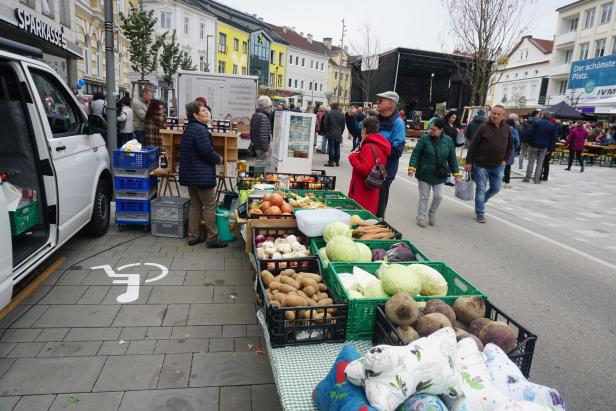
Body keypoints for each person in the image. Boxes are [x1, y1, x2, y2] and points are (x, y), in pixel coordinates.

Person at [179, 101, 227, 248]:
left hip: (191, 175)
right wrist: (218, 158)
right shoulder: (200, 130)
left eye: (207, 111)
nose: (207, 113)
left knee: (195, 205)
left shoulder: (190, 128)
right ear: (195, 115)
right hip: (201, 175)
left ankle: (193, 236)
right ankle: (212, 238)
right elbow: (206, 152)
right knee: (209, 205)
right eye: (204, 111)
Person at [408, 118, 461, 227]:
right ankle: (421, 217)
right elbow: (416, 154)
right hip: (424, 172)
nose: (430, 131)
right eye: (430, 129)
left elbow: (452, 159)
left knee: (439, 196)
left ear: (441, 130)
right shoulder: (424, 139)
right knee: (424, 197)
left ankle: (432, 212)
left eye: (433, 129)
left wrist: (456, 174)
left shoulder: (448, 141)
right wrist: (412, 167)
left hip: (440, 173)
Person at [465, 105, 512, 224]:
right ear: (490, 114)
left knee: (496, 188)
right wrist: (469, 162)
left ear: (503, 116)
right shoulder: (483, 128)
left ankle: (481, 200)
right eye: (493, 113)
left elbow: (511, 146)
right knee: (480, 189)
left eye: (498, 114)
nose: (495, 116)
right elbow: (473, 145)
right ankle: (480, 213)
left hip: (498, 165)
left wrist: (505, 160)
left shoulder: (507, 129)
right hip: (481, 165)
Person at [348, 116, 391, 215]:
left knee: (359, 218)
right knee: (368, 217)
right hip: (373, 190)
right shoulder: (381, 144)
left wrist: (353, 157)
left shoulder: (368, 146)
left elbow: (365, 170)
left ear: (364, 129)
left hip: (362, 191)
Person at [375, 91, 406, 219]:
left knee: (379, 205)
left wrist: (377, 149)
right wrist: (349, 118)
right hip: (369, 167)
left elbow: (397, 150)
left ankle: (378, 223)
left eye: (381, 100)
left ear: (390, 104)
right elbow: (358, 131)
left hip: (385, 171)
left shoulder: (398, 123)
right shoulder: (375, 119)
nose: (377, 102)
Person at [523, 111, 558, 184]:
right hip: (544, 146)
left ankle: (527, 178)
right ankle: (536, 179)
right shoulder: (552, 126)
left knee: (531, 162)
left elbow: (530, 133)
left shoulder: (537, 122)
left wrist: (529, 142)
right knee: (540, 163)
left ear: (543, 116)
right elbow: (553, 139)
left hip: (533, 145)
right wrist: (549, 148)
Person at [249, 96, 273, 170]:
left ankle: (256, 178)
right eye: (270, 106)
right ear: (266, 106)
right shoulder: (263, 117)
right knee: (260, 167)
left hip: (256, 146)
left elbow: (251, 132)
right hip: (261, 148)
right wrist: (266, 150)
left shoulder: (255, 115)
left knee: (258, 165)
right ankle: (258, 179)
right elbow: (263, 136)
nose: (270, 108)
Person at [322, 102, 346, 167]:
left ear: (332, 106)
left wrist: (326, 131)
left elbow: (325, 123)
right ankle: (337, 161)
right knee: (337, 147)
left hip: (330, 132)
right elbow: (343, 125)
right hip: (338, 133)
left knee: (331, 147)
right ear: (337, 107)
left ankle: (331, 161)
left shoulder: (329, 113)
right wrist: (341, 132)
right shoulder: (341, 114)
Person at [502, 117, 520, 188]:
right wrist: (514, 148)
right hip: (510, 149)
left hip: (501, 148)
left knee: (500, 165)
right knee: (508, 166)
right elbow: (517, 142)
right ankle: (507, 182)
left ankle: (498, 179)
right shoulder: (514, 130)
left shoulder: (503, 128)